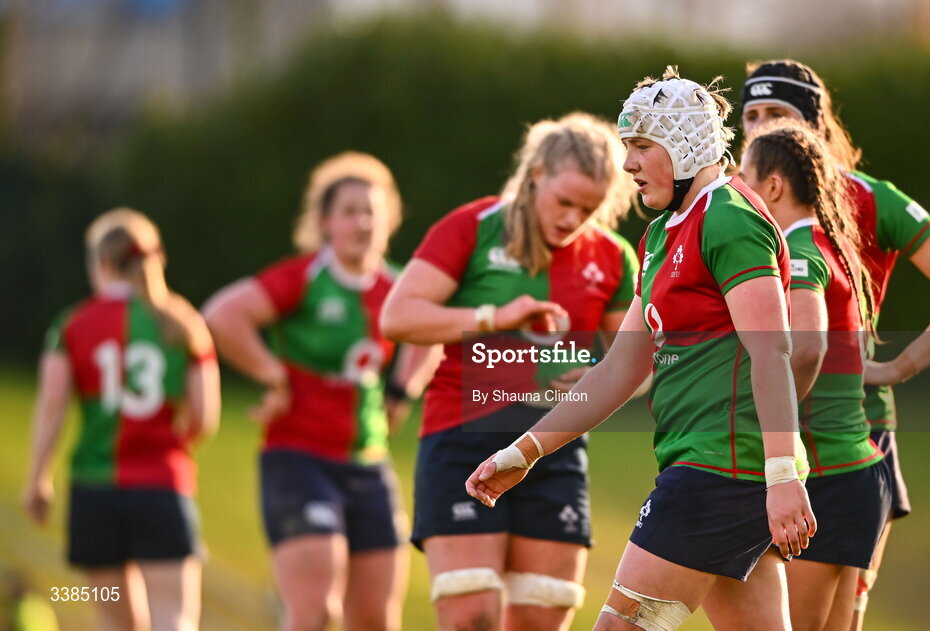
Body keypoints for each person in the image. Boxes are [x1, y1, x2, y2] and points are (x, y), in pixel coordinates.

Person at [466, 67, 814, 631]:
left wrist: (780, 474)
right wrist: (525, 452)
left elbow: (772, 351)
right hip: (720, 469)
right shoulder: (662, 235)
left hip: (720, 471)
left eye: (641, 146)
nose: (627, 164)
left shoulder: (728, 216)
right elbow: (621, 366)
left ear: (682, 147)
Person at [741, 59, 930, 630]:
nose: (759, 128)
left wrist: (898, 366)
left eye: (776, 114)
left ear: (813, 121)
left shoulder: (867, 198)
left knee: (837, 617)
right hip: (780, 437)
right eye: (751, 115)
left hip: (849, 433)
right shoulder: (740, 210)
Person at [380, 112, 639, 631]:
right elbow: (398, 316)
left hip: (553, 447)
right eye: (564, 202)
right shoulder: (471, 228)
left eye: (588, 210)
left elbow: (629, 361)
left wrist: (588, 369)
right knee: (471, 614)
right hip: (461, 433)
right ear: (537, 173)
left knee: (541, 618)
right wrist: (491, 318)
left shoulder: (613, 257)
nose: (572, 219)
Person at [203, 152, 426, 631]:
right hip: (298, 459)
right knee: (315, 613)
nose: (363, 221)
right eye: (349, 210)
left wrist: (402, 392)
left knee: (375, 620)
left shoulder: (399, 285)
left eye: (373, 210)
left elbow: (432, 334)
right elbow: (222, 315)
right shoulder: (304, 278)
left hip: (368, 462)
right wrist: (272, 375)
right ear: (325, 221)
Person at [725, 120, 891, 631]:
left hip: (829, 473)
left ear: (772, 186)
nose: (736, 188)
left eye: (744, 177)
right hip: (861, 469)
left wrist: (766, 427)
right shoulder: (831, 243)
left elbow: (807, 348)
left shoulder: (798, 250)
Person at [22, 208, 220, 631]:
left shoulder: (72, 324)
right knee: (174, 616)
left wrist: (39, 477)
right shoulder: (185, 324)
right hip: (162, 490)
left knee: (113, 619)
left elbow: (52, 407)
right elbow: (206, 416)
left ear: (103, 263)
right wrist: (170, 442)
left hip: (95, 493)